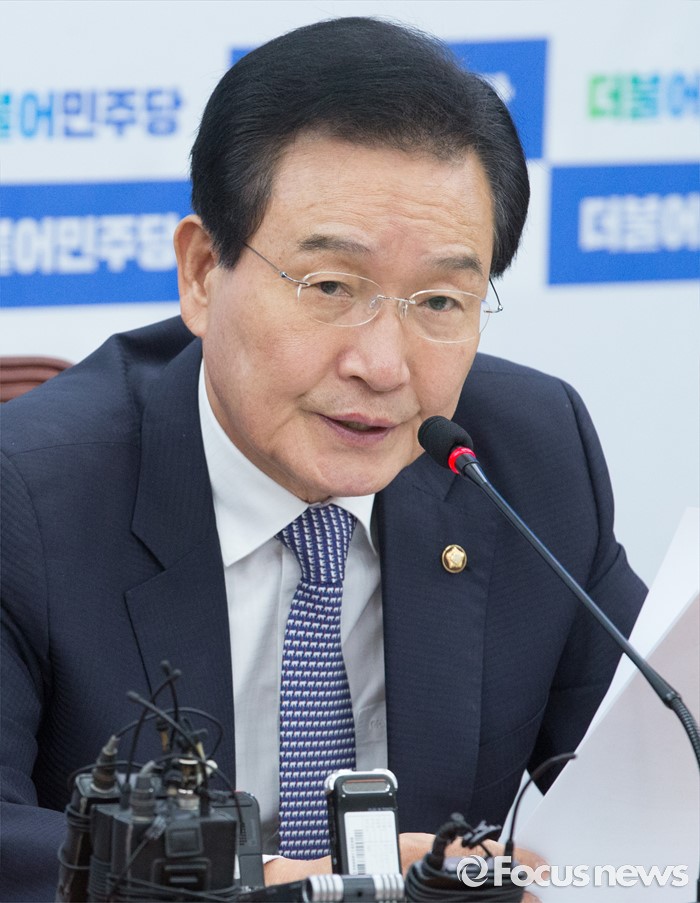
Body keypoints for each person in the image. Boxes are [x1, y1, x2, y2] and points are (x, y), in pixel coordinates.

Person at [0, 16, 646, 902]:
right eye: (332, 286)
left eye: (440, 301)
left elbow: (650, 771)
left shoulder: (528, 458)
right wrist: (275, 883)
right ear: (203, 273)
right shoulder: (28, 495)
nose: (382, 365)